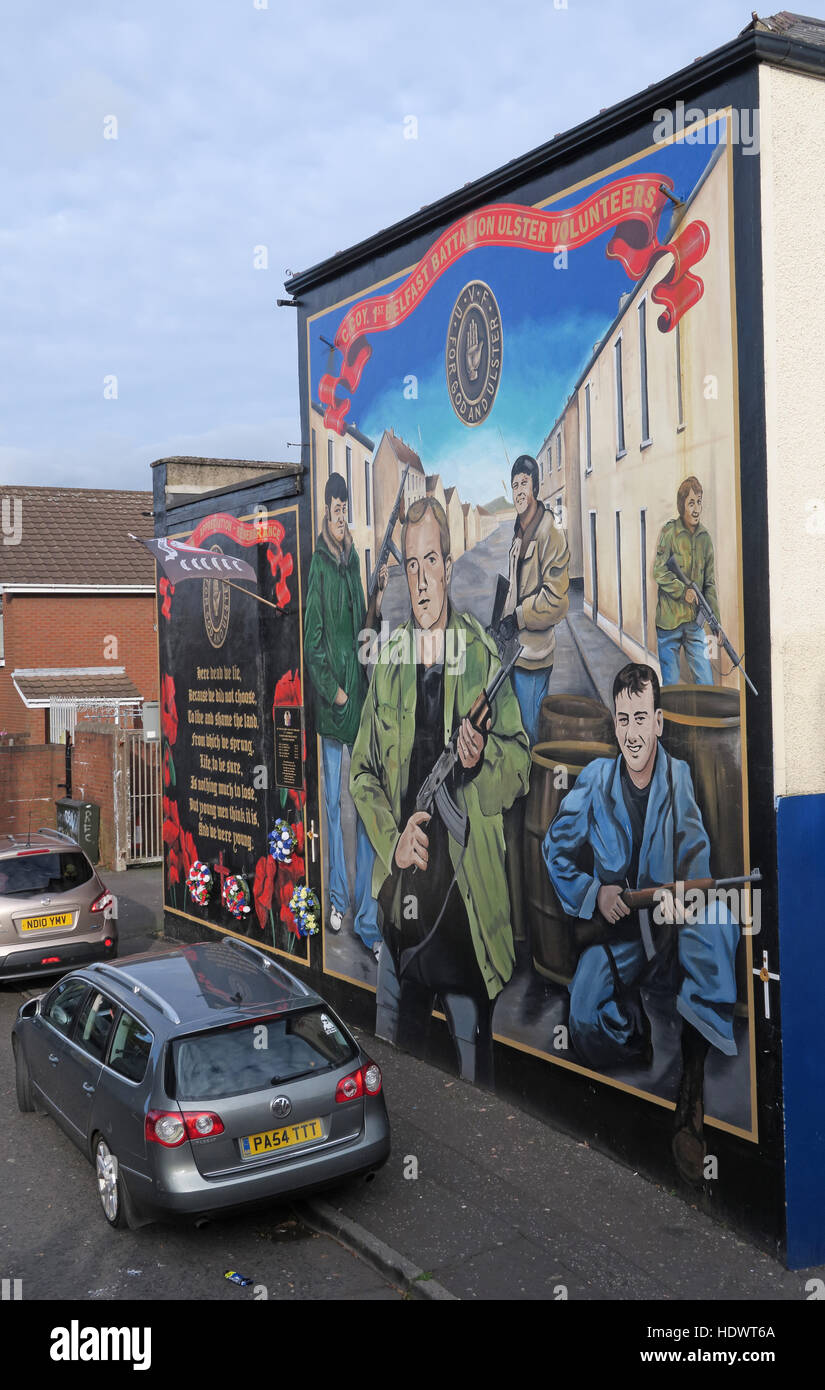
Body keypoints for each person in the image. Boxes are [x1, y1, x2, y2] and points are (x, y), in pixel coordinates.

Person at [350, 496, 530, 1086]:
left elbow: (521, 764)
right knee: (400, 1074)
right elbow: (362, 773)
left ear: (449, 567)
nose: (422, 580)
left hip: (465, 913)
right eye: (411, 566)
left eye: (432, 562)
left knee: (476, 1085)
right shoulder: (393, 660)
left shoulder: (479, 655)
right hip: (402, 910)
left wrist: (479, 761)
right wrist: (391, 841)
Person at [542, 662, 739, 1183]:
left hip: (672, 933)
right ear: (615, 723)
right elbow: (554, 848)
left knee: (715, 920)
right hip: (624, 941)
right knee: (584, 1019)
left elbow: (696, 855)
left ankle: (690, 1096)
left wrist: (684, 898)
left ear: (658, 722)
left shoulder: (678, 778)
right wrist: (593, 891)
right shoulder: (595, 781)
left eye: (641, 719)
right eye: (623, 719)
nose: (632, 733)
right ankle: (637, 1032)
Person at [304, 472, 387, 960]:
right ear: (325, 513)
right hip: (335, 709)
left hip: (359, 705)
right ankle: (337, 900)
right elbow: (313, 644)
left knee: (366, 802)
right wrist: (335, 692)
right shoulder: (319, 567)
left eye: (344, 509)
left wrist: (373, 604)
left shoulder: (353, 561)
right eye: (335, 510)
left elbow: (362, 632)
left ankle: (367, 920)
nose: (340, 517)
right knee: (337, 810)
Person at [497, 454, 570, 744]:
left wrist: (518, 617)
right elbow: (515, 586)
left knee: (530, 739)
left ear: (536, 488)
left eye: (524, 484)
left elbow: (557, 600)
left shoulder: (549, 532)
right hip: (515, 654)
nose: (518, 492)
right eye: (514, 486)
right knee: (516, 736)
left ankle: (536, 789)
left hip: (535, 657)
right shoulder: (520, 531)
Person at [652, 476, 719, 686]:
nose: (697, 508)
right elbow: (659, 571)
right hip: (669, 622)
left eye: (699, 501)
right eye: (691, 503)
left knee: (706, 684)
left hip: (693, 623)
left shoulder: (705, 539)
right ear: (682, 506)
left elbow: (709, 584)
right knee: (670, 687)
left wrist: (716, 625)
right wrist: (683, 591)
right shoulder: (669, 532)